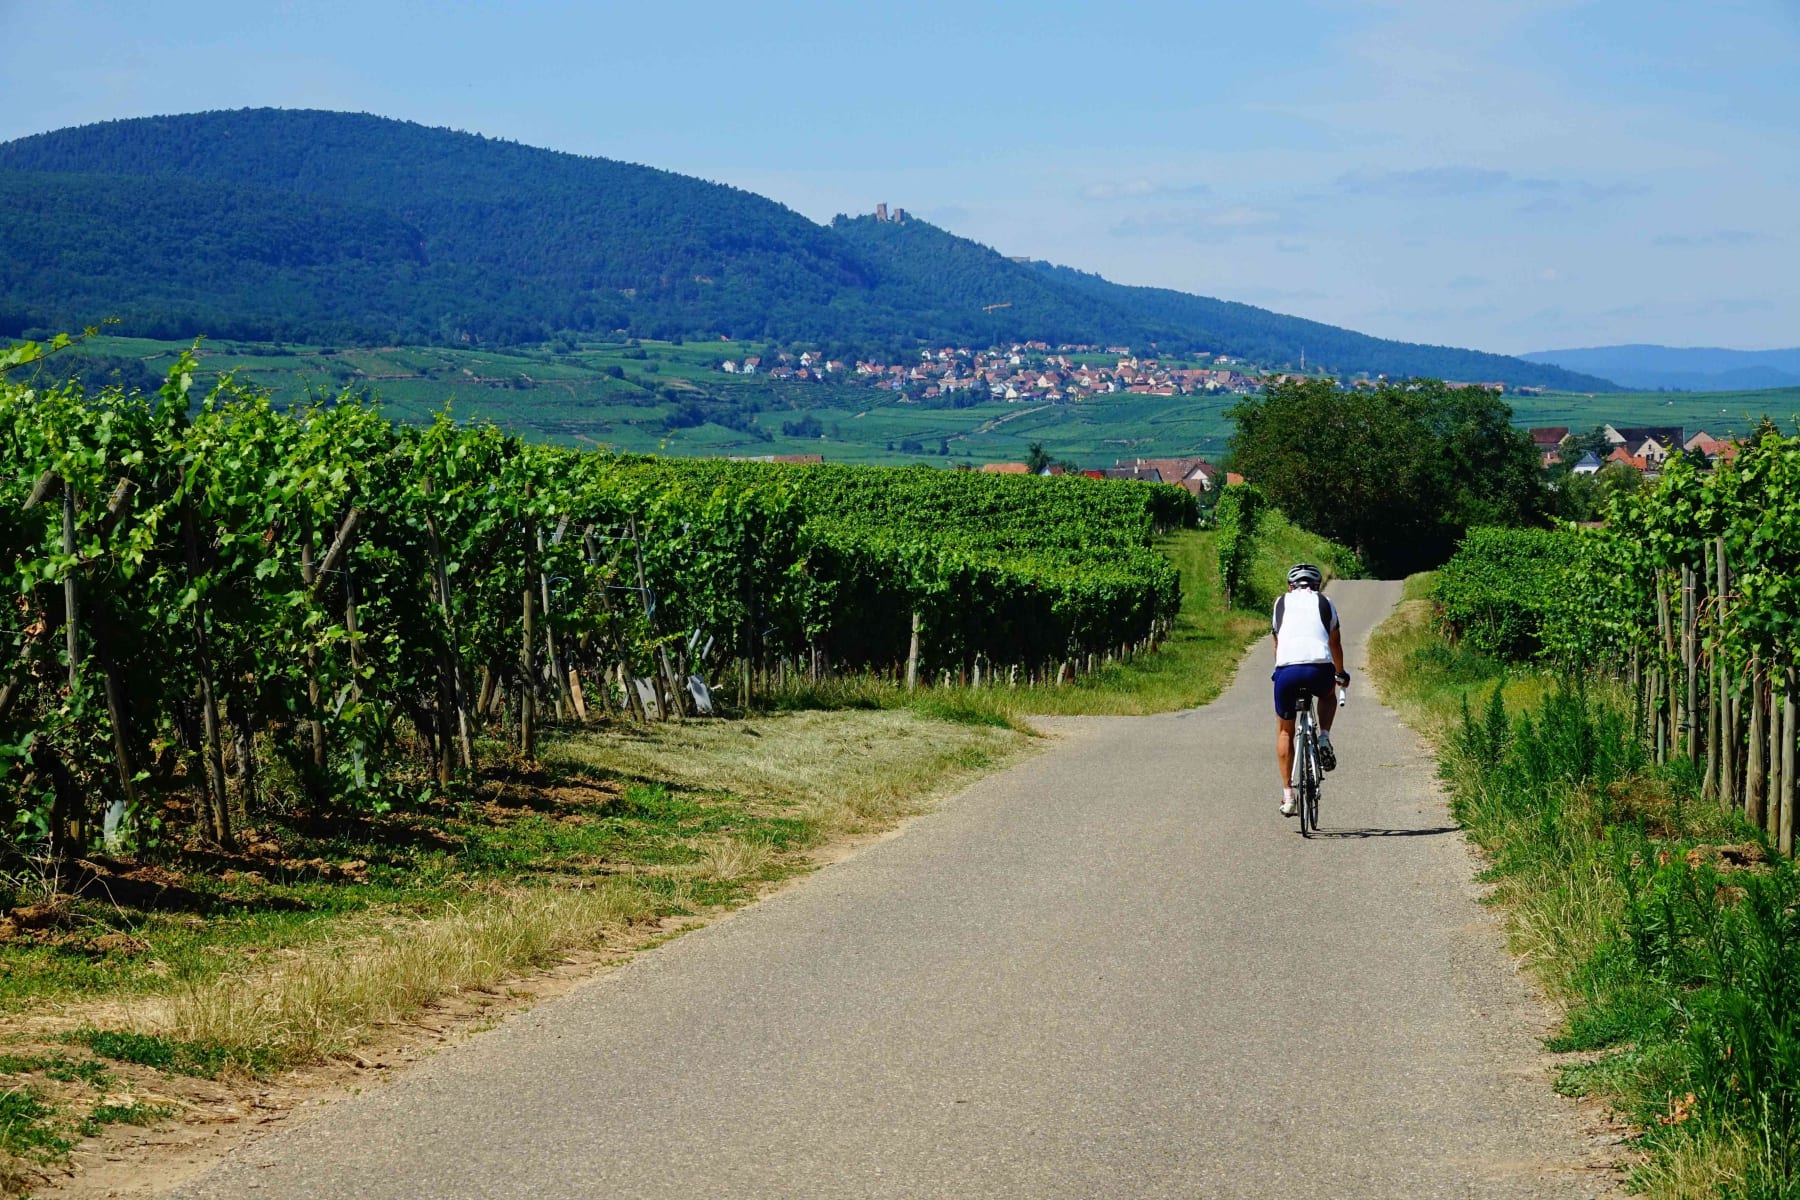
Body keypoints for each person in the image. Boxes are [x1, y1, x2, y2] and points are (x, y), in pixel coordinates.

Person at [1271, 563, 1349, 817]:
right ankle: (1324, 736)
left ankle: (1288, 796)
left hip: (1287, 670)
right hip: (1319, 668)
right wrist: (1341, 673)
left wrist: (1280, 669)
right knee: (1327, 695)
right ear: (1317, 585)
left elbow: (1277, 640)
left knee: (1285, 731)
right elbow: (1334, 642)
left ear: (1290, 586)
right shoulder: (1325, 602)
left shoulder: (1280, 603)